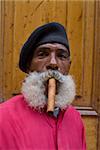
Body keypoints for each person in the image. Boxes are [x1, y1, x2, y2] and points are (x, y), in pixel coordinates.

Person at [0, 22, 86, 149]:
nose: (53, 63)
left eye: (61, 56)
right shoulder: (3, 117)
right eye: (43, 54)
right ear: (29, 65)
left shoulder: (75, 119)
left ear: (69, 66)